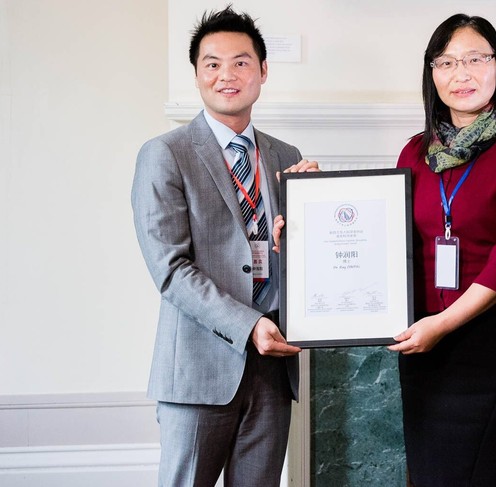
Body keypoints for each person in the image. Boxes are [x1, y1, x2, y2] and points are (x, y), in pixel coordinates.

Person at [131, 6, 317, 486]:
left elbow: (300, 263)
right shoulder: (164, 154)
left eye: (240, 62)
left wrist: (310, 219)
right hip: (197, 369)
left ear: (263, 71)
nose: (227, 75)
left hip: (274, 366)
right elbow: (170, 269)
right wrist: (248, 325)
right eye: (212, 64)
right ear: (196, 76)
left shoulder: (287, 157)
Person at [388, 13, 496, 486]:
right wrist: (304, 223)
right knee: (432, 475)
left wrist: (442, 325)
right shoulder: (412, 154)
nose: (461, 74)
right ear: (432, 74)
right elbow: (387, 241)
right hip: (425, 347)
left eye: (475, 58)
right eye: (447, 62)